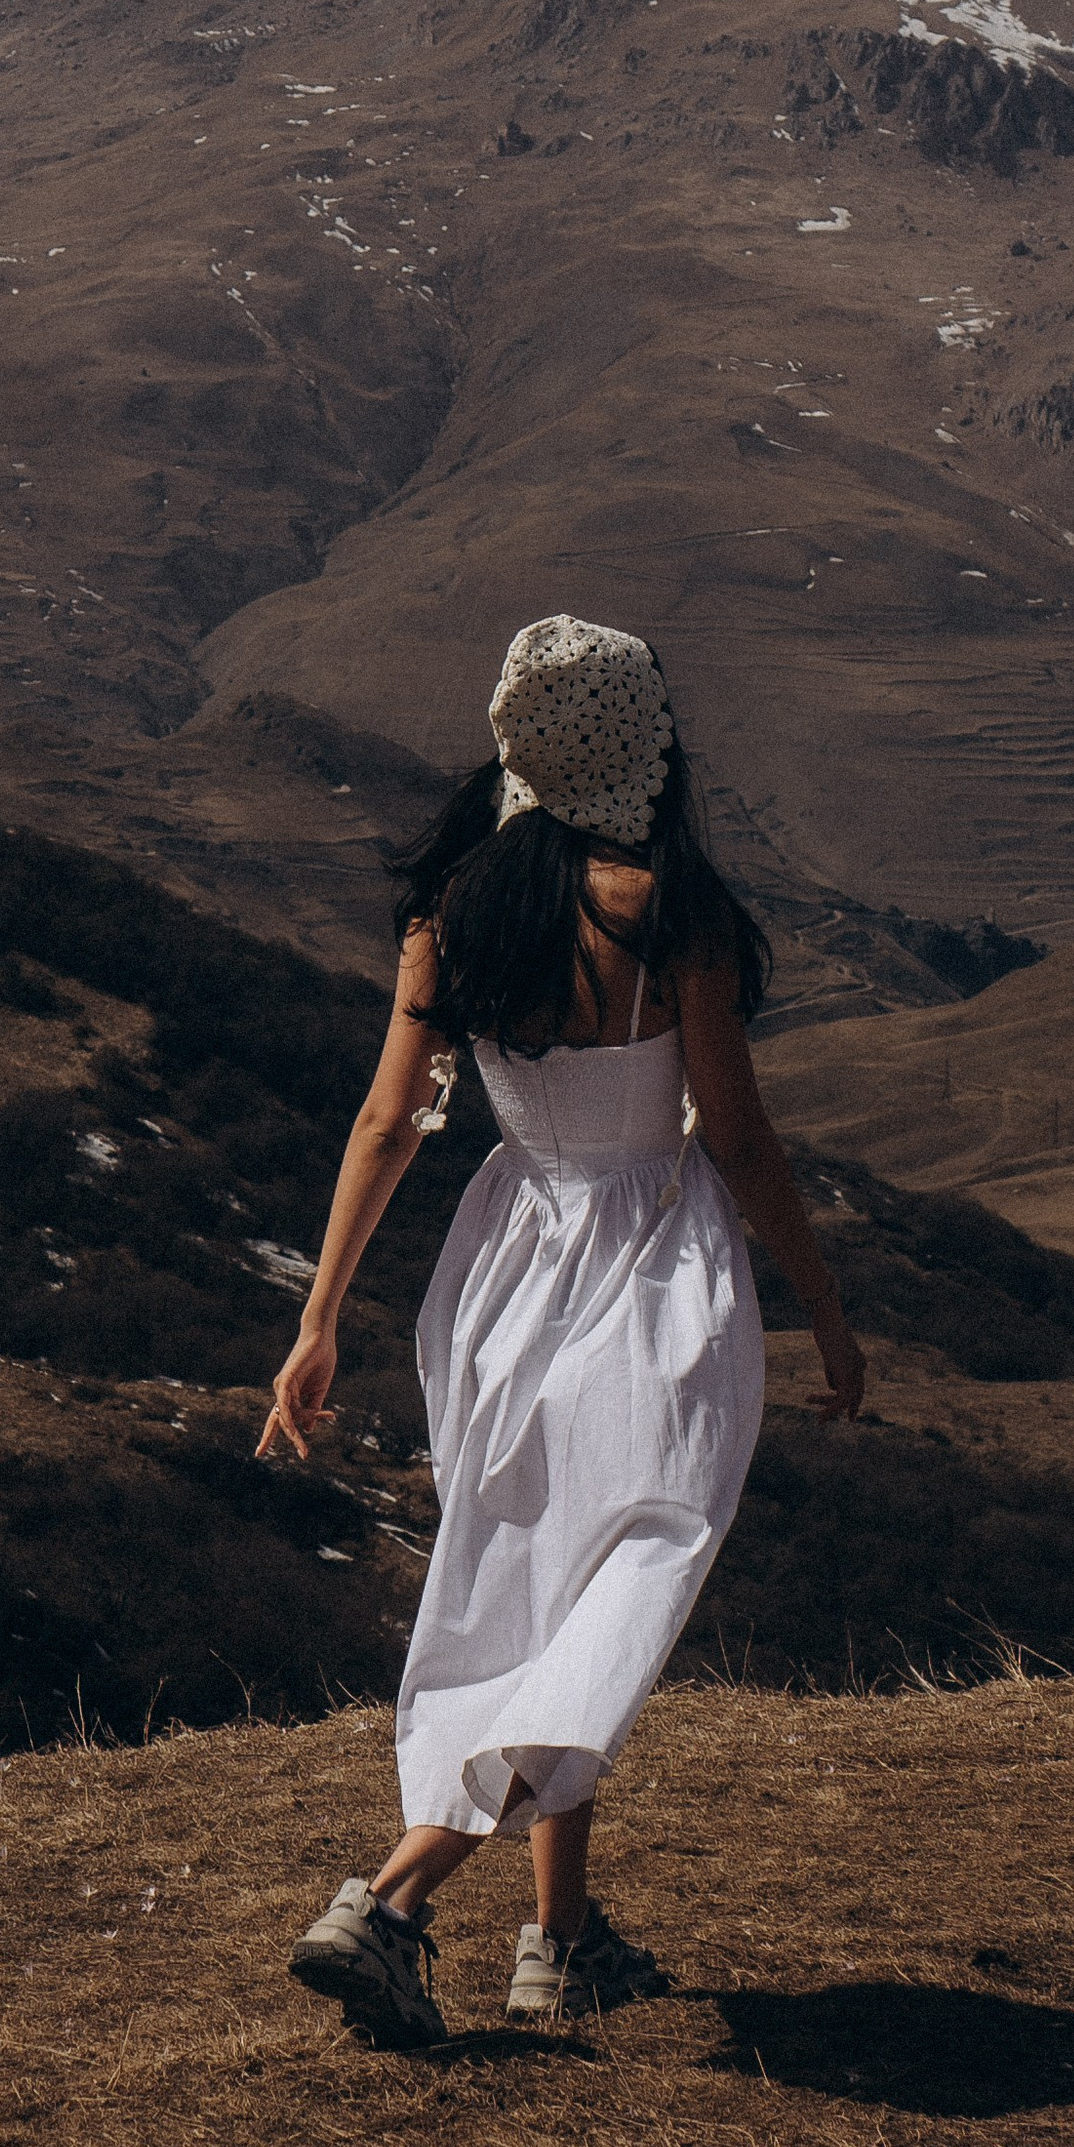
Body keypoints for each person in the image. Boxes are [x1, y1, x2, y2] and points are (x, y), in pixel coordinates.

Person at [259, 612, 866, 2044]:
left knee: (541, 1587)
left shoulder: (457, 913)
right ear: (639, 747)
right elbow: (741, 1139)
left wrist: (321, 1318)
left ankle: (563, 1936)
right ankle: (394, 1903)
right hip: (653, 1271)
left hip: (504, 1271)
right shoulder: (671, 916)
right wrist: (825, 1311)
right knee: (618, 1593)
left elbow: (389, 1121)